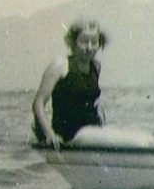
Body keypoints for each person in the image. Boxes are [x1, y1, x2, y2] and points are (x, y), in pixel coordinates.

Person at [32, 20, 108, 150]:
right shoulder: (60, 65)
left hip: (92, 134)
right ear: (72, 43)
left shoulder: (95, 66)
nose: (89, 47)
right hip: (69, 136)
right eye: (84, 42)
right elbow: (38, 103)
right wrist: (49, 134)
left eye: (94, 42)